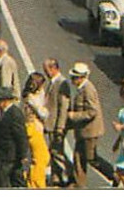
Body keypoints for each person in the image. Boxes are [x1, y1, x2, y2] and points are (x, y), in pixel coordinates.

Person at [67, 62, 110, 188]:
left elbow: (92, 111)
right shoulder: (81, 89)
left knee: (91, 158)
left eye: (75, 77)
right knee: (78, 157)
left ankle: (113, 174)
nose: (73, 80)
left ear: (82, 77)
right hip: (82, 131)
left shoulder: (88, 89)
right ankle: (79, 183)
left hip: (90, 131)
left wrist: (74, 116)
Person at [42, 58, 73, 186]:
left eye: (46, 70)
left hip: (56, 125)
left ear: (54, 68)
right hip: (50, 124)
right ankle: (56, 177)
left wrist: (60, 127)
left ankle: (71, 175)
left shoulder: (62, 83)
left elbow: (64, 107)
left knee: (58, 152)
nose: (45, 72)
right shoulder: (52, 82)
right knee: (53, 152)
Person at [0, 87, 30, 188]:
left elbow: (21, 135)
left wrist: (23, 154)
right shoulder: (6, 112)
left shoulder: (14, 113)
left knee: (4, 179)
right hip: (6, 153)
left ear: (5, 101)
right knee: (13, 178)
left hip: (11, 154)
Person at [22, 73, 51, 188]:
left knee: (35, 157)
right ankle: (36, 184)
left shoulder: (27, 96)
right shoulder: (31, 98)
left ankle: (32, 182)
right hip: (33, 127)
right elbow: (43, 113)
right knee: (41, 157)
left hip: (31, 127)